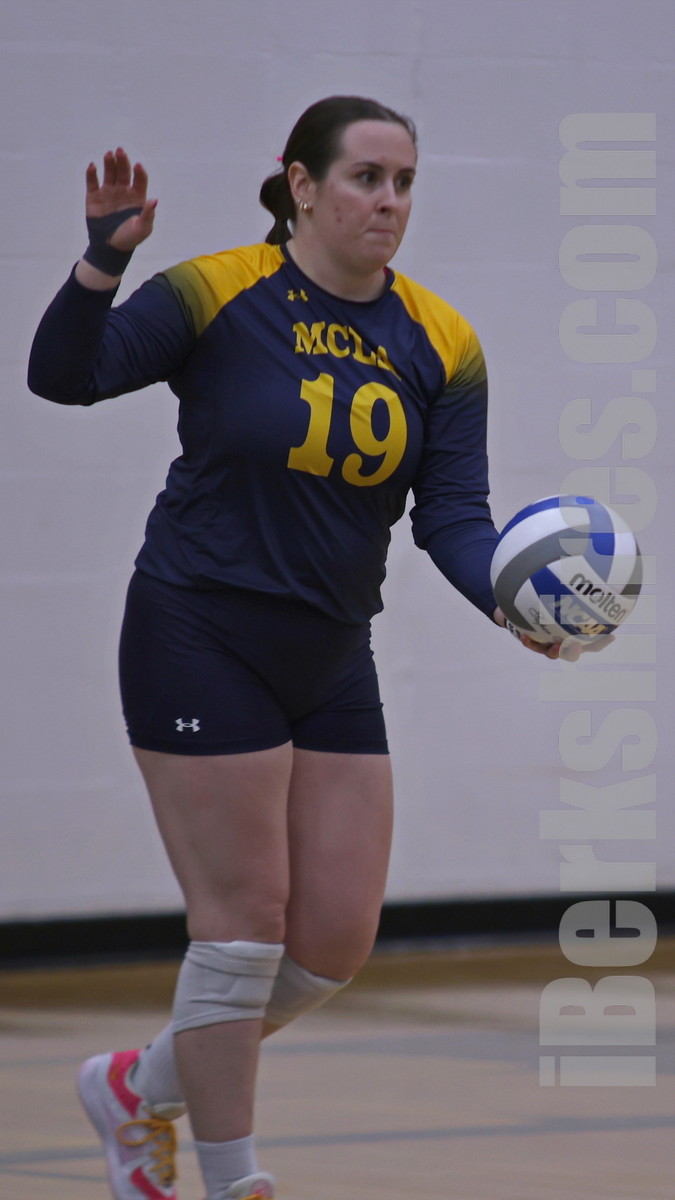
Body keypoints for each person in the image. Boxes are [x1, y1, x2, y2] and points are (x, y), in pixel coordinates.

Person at [28, 94, 566, 1200]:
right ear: (304, 186)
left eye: (405, 181)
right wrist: (102, 262)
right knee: (242, 932)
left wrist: (515, 601)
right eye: (367, 177)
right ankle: (234, 1179)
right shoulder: (219, 291)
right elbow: (65, 376)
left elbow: (451, 516)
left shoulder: (442, 340)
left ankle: (135, 1087)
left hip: (329, 651)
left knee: (332, 944)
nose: (390, 202)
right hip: (197, 629)